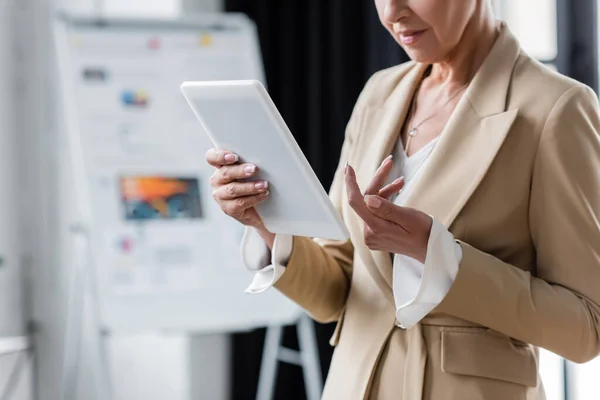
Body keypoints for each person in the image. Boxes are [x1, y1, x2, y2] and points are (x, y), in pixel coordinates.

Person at [206, 0, 600, 398]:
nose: (392, 12)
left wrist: (439, 256)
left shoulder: (557, 109)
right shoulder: (380, 93)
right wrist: (268, 224)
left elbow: (586, 327)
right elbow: (336, 291)